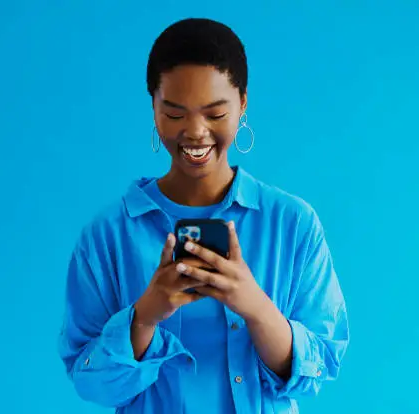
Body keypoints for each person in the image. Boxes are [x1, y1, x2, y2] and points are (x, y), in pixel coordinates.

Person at [57, 17, 349, 414]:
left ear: (243, 103)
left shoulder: (293, 224)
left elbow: (320, 368)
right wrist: (144, 316)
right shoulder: (107, 236)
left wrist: (255, 306)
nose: (195, 132)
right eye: (175, 114)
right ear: (154, 106)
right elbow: (89, 382)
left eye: (214, 113)